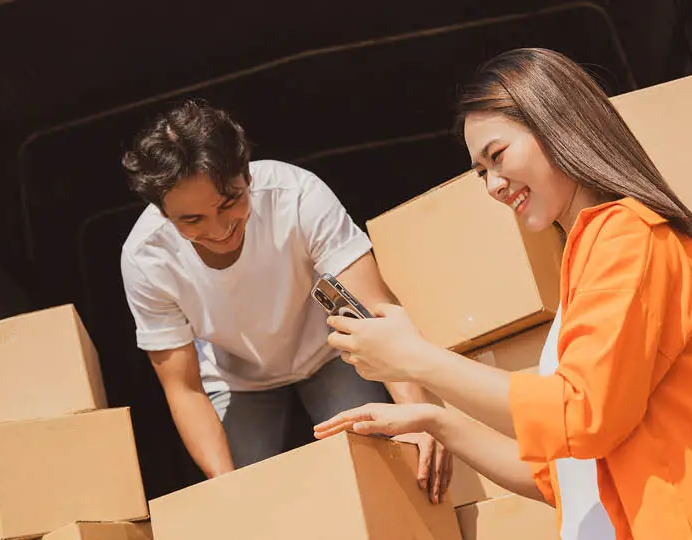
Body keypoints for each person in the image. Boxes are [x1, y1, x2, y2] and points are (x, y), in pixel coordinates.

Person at [314, 48, 692, 538]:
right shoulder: (590, 259)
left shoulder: (625, 237)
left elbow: (581, 416)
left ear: (555, 124)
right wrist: (432, 421)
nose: (492, 185)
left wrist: (414, 359)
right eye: (481, 171)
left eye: (496, 156)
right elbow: (563, 473)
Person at [119, 100, 450, 502]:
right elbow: (184, 389)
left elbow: (375, 312)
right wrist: (228, 487)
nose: (220, 229)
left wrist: (418, 418)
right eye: (193, 220)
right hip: (236, 378)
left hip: (333, 351)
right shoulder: (145, 258)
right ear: (163, 213)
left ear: (246, 173)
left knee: (381, 472)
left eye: (230, 203)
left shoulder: (297, 195)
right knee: (251, 502)